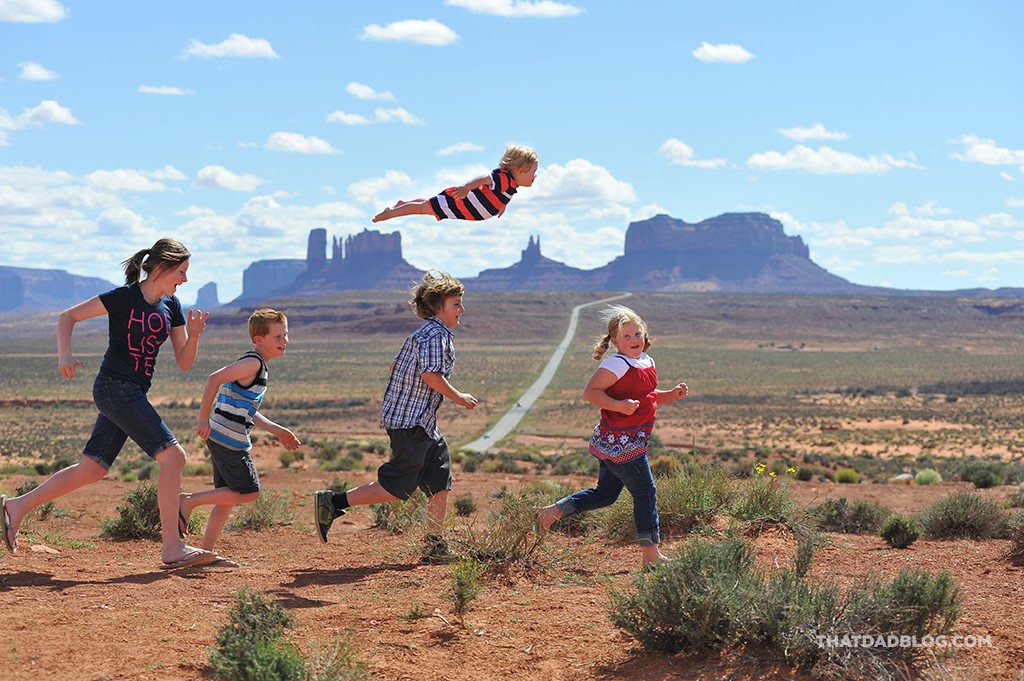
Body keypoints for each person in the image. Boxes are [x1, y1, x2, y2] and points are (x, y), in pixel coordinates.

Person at [0, 238, 217, 569]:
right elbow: (67, 317)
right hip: (115, 388)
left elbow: (184, 362)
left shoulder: (171, 306)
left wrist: (196, 335)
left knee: (92, 469)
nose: (185, 279)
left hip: (132, 393)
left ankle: (15, 508)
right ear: (163, 267)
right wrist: (65, 356)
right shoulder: (124, 297)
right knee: (174, 458)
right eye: (182, 271)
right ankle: (172, 547)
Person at [313, 270, 478, 559]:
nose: (462, 309)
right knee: (395, 488)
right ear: (439, 307)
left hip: (423, 423)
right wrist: (459, 397)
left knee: (440, 482)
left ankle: (436, 547)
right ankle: (332, 501)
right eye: (456, 304)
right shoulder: (435, 336)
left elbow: (395, 367)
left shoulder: (425, 334)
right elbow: (430, 375)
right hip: (410, 424)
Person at [536, 305, 688, 569]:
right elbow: (591, 392)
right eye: (626, 337)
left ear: (645, 335)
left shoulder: (646, 361)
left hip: (621, 442)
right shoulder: (617, 363)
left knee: (605, 494)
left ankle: (551, 512)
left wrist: (670, 395)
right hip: (622, 445)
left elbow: (647, 398)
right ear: (615, 341)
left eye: (637, 334)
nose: (633, 340)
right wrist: (618, 406)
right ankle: (651, 557)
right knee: (645, 493)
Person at [181, 308, 300, 563]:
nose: (284, 341)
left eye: (285, 335)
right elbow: (213, 379)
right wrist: (202, 418)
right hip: (229, 439)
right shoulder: (253, 363)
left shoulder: (258, 366)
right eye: (277, 337)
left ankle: (206, 553)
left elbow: (246, 411)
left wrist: (277, 430)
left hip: (223, 435)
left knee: (226, 497)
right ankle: (189, 502)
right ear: (259, 340)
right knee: (250, 491)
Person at [372, 144, 537, 223]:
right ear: (521, 169)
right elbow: (484, 179)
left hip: (463, 207)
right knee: (423, 209)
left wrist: (501, 205)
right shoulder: (504, 179)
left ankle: (403, 204)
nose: (535, 176)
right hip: (459, 203)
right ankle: (391, 212)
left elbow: (497, 193)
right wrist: (466, 188)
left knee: (426, 205)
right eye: (533, 171)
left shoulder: (510, 184)